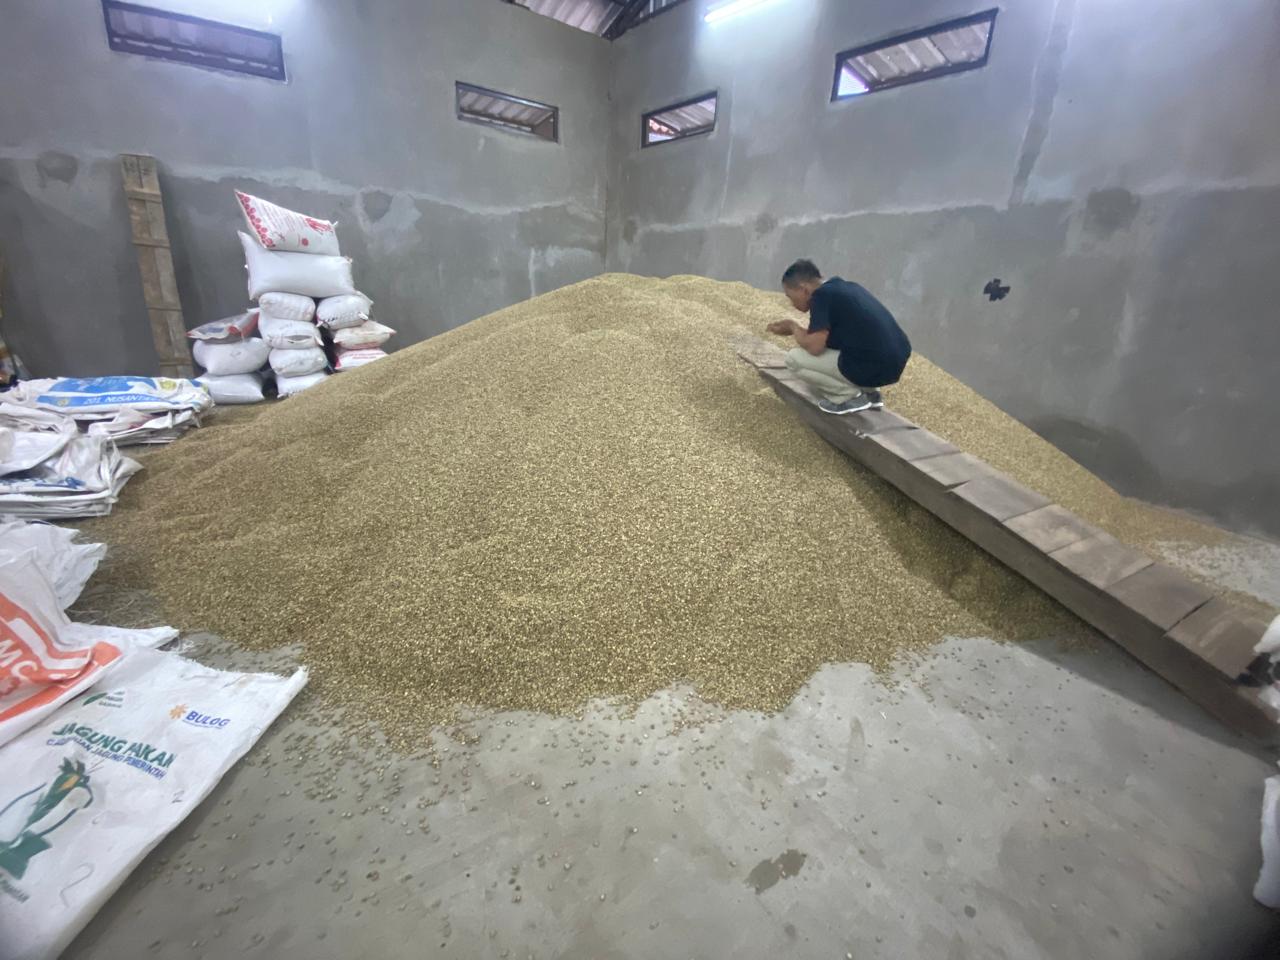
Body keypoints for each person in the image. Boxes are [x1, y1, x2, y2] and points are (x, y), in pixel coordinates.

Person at [766, 259, 912, 415]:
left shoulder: (821, 297)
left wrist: (792, 327)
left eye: (790, 296)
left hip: (873, 366)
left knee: (794, 359)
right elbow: (829, 340)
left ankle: (847, 397)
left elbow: (815, 347)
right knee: (844, 351)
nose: (791, 303)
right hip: (895, 363)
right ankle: (871, 393)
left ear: (804, 289)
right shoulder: (844, 289)